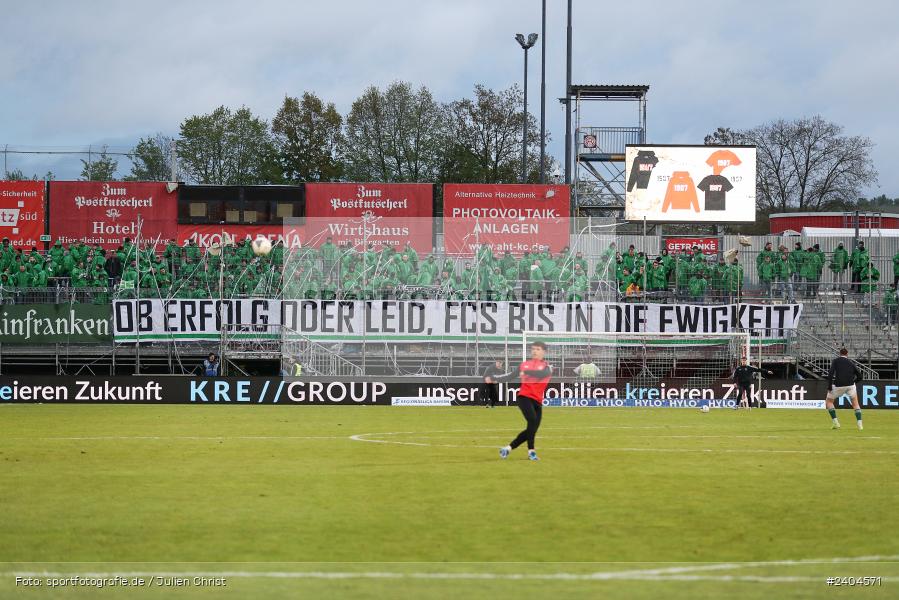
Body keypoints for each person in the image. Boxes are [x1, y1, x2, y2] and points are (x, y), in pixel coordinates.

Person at [500, 341, 552, 461]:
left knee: (532, 428)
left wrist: (527, 372)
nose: (534, 351)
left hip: (537, 401)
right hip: (524, 397)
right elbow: (510, 376)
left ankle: (507, 448)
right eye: (533, 349)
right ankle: (531, 452)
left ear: (544, 352)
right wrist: (494, 379)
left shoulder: (547, 367)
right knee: (532, 421)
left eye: (538, 349)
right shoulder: (524, 364)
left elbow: (541, 374)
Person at [825, 348, 863, 431]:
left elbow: (831, 373)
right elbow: (860, 376)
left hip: (838, 385)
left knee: (829, 402)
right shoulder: (851, 362)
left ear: (840, 353)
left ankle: (836, 423)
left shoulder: (835, 361)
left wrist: (829, 386)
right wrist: (853, 382)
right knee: (855, 404)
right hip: (850, 385)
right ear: (847, 354)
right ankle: (860, 425)